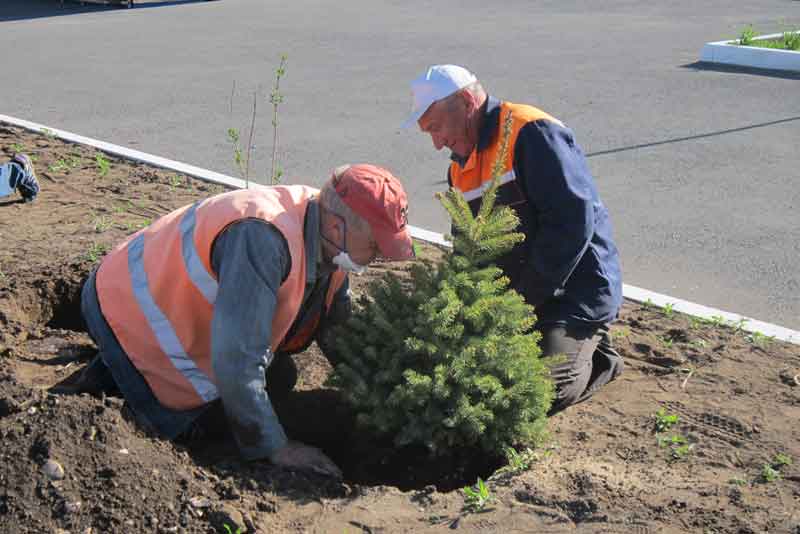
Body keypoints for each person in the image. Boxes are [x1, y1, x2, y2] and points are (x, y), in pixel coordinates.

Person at [72, 164, 414, 478]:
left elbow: (339, 331)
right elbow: (237, 363)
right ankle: (114, 381)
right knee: (188, 430)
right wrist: (277, 448)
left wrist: (382, 397)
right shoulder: (263, 239)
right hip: (127, 309)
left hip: (173, 311)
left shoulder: (326, 231)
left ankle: (118, 373)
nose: (380, 255)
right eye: (375, 244)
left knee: (279, 377)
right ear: (337, 227)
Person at [403, 65, 624, 415]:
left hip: (573, 295)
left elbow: (570, 225)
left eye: (436, 127)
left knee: (540, 391)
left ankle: (601, 359)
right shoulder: (459, 168)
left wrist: (519, 305)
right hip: (517, 300)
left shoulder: (531, 132)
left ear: (465, 101)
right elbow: (469, 249)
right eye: (427, 132)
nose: (437, 142)